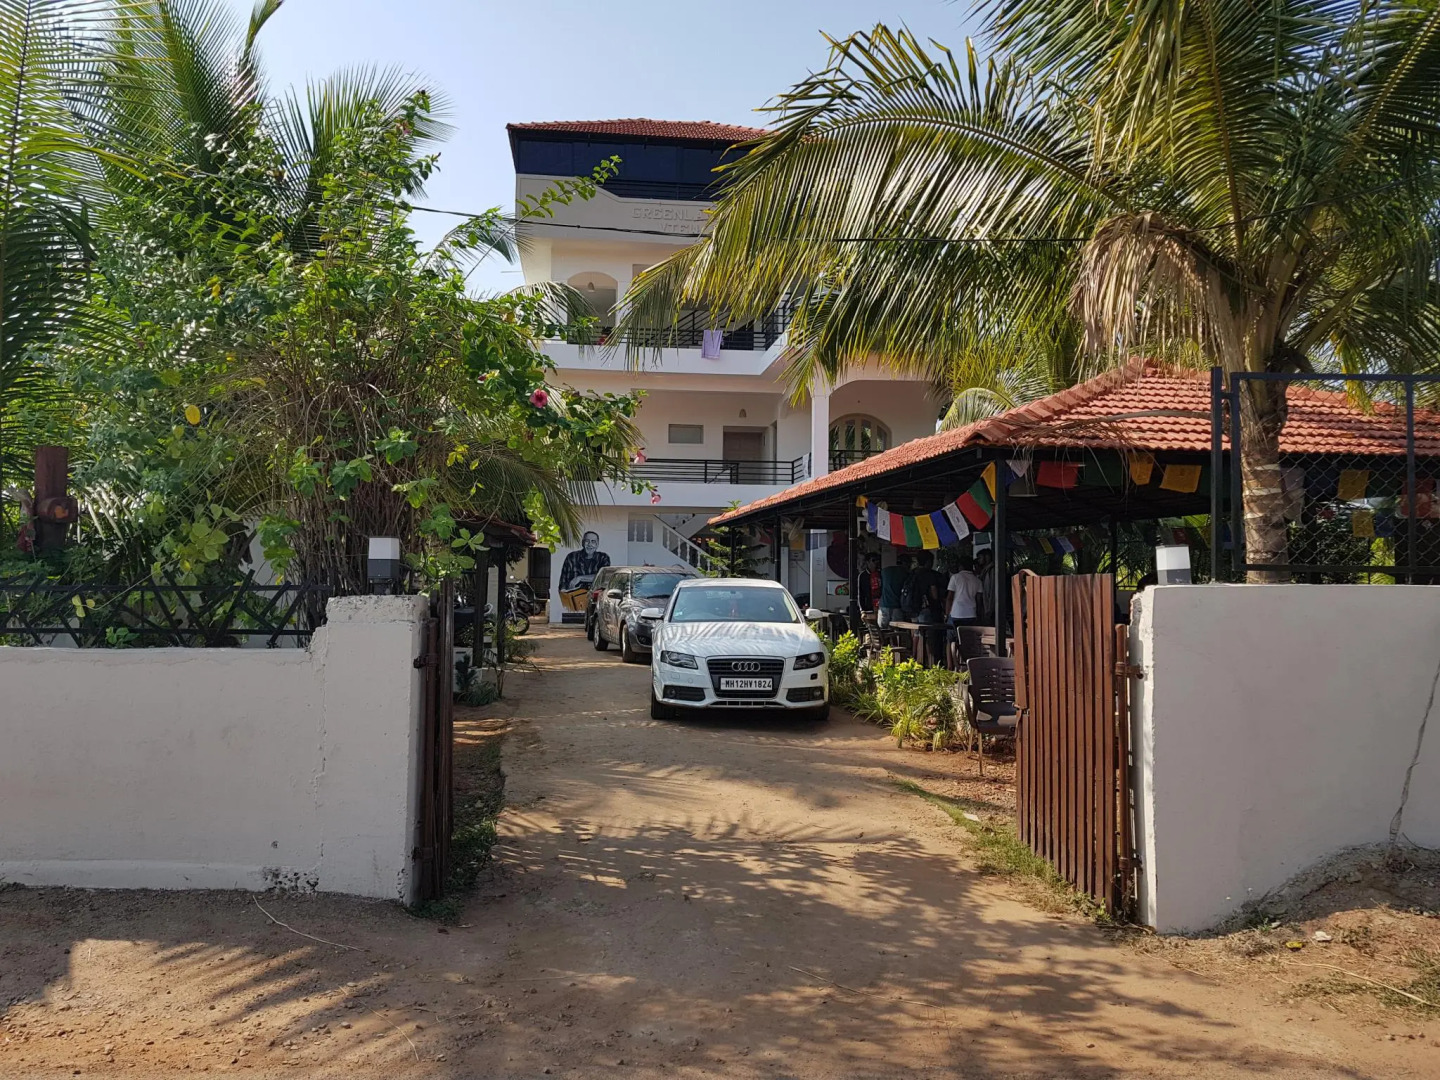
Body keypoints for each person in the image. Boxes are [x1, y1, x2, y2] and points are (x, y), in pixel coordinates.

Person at [945, 555, 984, 628]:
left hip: (956, 613)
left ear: (960, 566)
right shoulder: (978, 581)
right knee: (968, 637)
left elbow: (949, 597)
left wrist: (947, 614)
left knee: (952, 636)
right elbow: (979, 600)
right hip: (971, 614)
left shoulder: (955, 577)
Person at [878, 553, 910, 628]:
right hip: (897, 606)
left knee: (882, 631)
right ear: (905, 563)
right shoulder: (905, 574)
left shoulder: (885, 571)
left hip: (884, 605)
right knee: (897, 631)